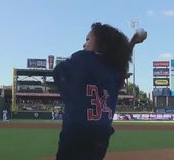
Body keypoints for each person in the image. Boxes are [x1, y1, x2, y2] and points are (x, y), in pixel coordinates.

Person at [53, 22, 147, 160]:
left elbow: (58, 73)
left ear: (101, 43)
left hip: (75, 135)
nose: (84, 44)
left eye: (88, 39)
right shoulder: (115, 70)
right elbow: (120, 64)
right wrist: (132, 42)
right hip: (100, 137)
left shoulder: (82, 58)